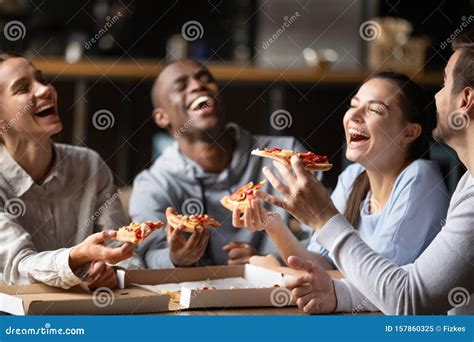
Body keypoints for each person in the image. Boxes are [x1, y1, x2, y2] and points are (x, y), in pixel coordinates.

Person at [255, 31, 474, 315]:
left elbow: (406, 298)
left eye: (444, 83)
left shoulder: (424, 178)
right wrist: (339, 293)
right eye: (353, 105)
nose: (437, 94)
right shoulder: (468, 182)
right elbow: (399, 286)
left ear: (465, 99)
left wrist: (323, 217)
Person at [234, 71, 449, 271]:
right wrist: (273, 225)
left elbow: (378, 282)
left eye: (374, 110)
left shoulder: (419, 178)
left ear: (409, 132)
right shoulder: (353, 177)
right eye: (353, 105)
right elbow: (323, 264)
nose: (353, 115)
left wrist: (277, 267)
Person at [129, 60, 311, 268]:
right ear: (162, 118)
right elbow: (149, 255)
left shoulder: (285, 156)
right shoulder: (153, 183)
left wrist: (274, 260)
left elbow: (324, 234)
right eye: (181, 86)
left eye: (206, 79)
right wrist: (176, 258)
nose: (198, 86)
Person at [0, 53, 134, 290]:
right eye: (23, 88)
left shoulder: (90, 164)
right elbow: (19, 267)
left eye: (41, 79)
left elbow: (123, 249)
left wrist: (112, 270)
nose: (45, 90)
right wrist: (77, 257)